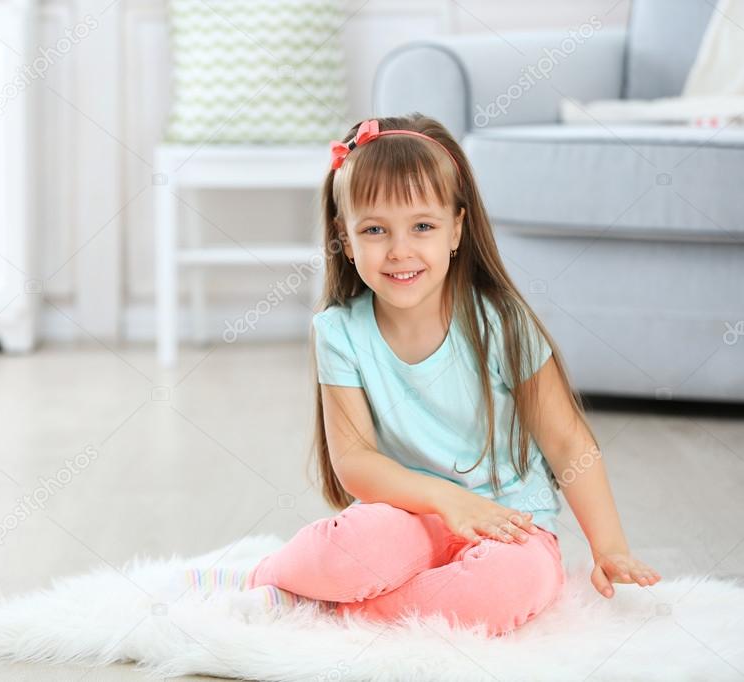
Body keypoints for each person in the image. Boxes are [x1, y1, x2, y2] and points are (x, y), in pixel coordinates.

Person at [180, 115, 661, 637]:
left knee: (505, 589)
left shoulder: (497, 322)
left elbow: (568, 443)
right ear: (345, 236)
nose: (399, 250)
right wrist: (444, 500)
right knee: (353, 547)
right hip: (407, 516)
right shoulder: (340, 332)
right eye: (374, 230)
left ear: (456, 228)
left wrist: (609, 545)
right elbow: (355, 460)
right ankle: (263, 577)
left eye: (423, 226)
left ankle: (320, 608)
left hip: (511, 524)